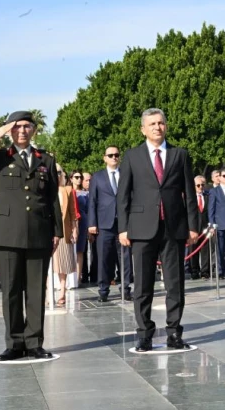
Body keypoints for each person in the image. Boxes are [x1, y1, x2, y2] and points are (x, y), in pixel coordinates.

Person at [0, 111, 63, 361]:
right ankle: (14, 343)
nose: (22, 131)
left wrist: (57, 231)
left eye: (27, 126)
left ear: (34, 130)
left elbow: (52, 197)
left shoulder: (45, 159)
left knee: (36, 290)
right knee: (11, 290)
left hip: (38, 232)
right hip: (7, 233)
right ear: (9, 130)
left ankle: (34, 342)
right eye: (16, 126)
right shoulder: (0, 157)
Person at [117, 108, 199, 352]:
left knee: (175, 284)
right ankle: (144, 334)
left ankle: (174, 332)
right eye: (152, 124)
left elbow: (189, 193)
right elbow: (123, 195)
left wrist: (193, 226)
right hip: (142, 228)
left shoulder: (179, 154)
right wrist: (123, 228)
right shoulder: (132, 156)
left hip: (173, 228)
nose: (157, 127)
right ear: (143, 129)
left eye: (161, 123)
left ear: (166, 126)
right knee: (143, 285)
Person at [89, 146, 133, 301]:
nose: (114, 157)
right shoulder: (97, 177)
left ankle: (125, 289)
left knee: (125, 258)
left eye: (116, 155)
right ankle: (103, 290)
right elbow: (92, 201)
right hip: (104, 224)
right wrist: (92, 223)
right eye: (110, 155)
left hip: (123, 224)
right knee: (104, 258)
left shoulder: (126, 175)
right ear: (105, 158)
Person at [51, 167, 78, 305]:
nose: (57, 174)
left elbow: (73, 212)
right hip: (47, 229)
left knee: (63, 261)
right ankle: (47, 293)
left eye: (59, 172)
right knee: (47, 264)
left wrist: (74, 229)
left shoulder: (67, 190)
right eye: (54, 172)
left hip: (63, 229)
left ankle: (62, 291)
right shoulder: (44, 189)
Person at [189, 175, 210, 280]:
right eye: (198, 185)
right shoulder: (190, 198)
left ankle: (205, 271)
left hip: (205, 228)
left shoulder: (208, 196)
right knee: (193, 250)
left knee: (205, 250)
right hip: (194, 228)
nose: (201, 187)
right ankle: (194, 271)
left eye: (202, 185)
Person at [71, 169, 89, 286]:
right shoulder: (67, 191)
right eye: (76, 177)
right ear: (71, 178)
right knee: (70, 250)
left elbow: (88, 210)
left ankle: (78, 278)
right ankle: (69, 278)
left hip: (83, 223)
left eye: (80, 177)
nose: (79, 179)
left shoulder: (85, 193)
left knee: (80, 250)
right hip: (71, 223)